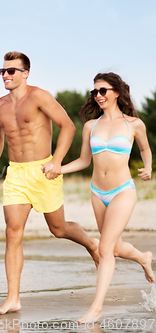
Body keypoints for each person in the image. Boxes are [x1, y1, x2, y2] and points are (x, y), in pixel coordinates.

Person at [0, 51, 100, 315]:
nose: (6, 75)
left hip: (44, 170)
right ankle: (13, 298)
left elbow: (67, 126)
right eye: (2, 71)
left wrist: (57, 161)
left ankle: (92, 244)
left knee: (58, 229)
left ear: (25, 73)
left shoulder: (39, 96)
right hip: (16, 174)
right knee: (12, 233)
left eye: (11, 71)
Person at [60, 72, 154, 323]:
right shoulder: (91, 126)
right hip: (97, 192)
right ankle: (143, 258)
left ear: (116, 91)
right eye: (95, 92)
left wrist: (149, 167)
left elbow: (145, 148)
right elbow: (83, 160)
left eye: (103, 90)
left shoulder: (134, 124)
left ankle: (96, 308)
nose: (98, 96)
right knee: (114, 247)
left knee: (104, 248)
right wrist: (58, 168)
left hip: (123, 191)